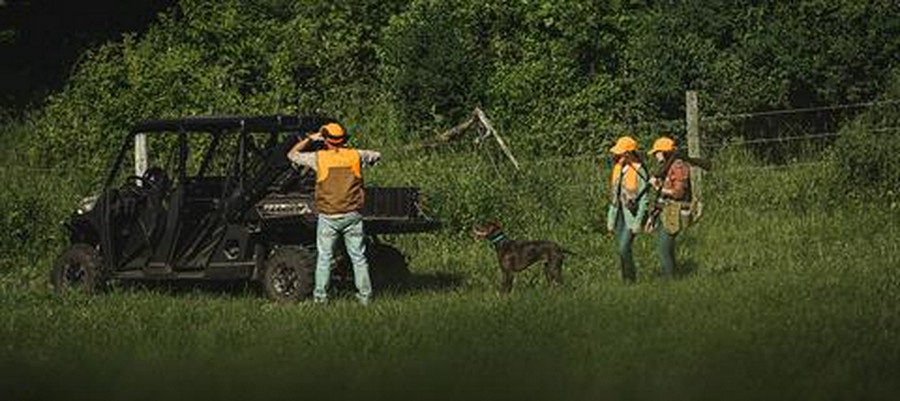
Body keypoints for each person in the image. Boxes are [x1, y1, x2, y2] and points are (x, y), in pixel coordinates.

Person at [287, 122, 381, 305]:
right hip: (352, 215)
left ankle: (321, 298)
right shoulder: (356, 155)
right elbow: (377, 155)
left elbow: (291, 154)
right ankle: (365, 298)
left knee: (324, 258)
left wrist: (309, 139)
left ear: (326, 140)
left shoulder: (319, 158)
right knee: (359, 258)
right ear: (343, 140)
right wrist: (352, 153)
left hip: (329, 216)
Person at [645, 136, 691, 278]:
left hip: (674, 211)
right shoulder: (665, 166)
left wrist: (658, 187)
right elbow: (661, 198)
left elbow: (678, 193)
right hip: (665, 210)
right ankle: (673, 276)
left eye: (656, 152)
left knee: (664, 248)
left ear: (664, 152)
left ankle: (670, 280)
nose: (654, 155)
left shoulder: (678, 167)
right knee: (667, 248)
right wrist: (652, 217)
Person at [606, 136, 649, 282]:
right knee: (622, 250)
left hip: (632, 216)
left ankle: (630, 279)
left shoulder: (640, 171)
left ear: (628, 153)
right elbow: (614, 197)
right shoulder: (618, 167)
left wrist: (638, 223)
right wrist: (610, 221)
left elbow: (644, 200)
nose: (616, 154)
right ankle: (627, 280)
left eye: (620, 152)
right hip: (618, 215)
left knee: (624, 248)